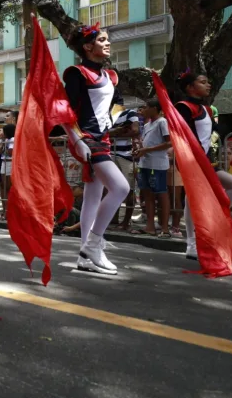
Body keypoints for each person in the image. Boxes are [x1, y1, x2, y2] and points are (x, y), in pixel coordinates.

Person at [63, 23, 128, 275]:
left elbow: (118, 102)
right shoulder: (76, 73)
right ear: (88, 46)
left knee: (93, 194)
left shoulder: (110, 75)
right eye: (102, 40)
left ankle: (85, 256)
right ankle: (93, 243)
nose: (107, 43)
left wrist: (113, 118)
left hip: (103, 139)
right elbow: (65, 112)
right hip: (85, 138)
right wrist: (77, 140)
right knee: (121, 187)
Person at [175, 73, 232, 260]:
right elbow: (185, 136)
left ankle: (211, 218)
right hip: (192, 161)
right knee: (192, 199)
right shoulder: (183, 107)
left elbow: (214, 135)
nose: (208, 85)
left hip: (209, 161)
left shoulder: (207, 109)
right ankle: (192, 243)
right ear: (190, 87)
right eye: (203, 82)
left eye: (208, 81)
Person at [133, 99, 171, 238]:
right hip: (145, 163)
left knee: (161, 193)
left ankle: (165, 228)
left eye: (146, 107)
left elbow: (169, 142)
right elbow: (145, 143)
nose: (143, 111)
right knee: (147, 194)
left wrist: (148, 149)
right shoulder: (148, 124)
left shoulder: (162, 122)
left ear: (154, 108)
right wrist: (139, 149)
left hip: (158, 164)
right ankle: (150, 226)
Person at [109, 107, 141, 231]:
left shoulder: (130, 112)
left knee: (129, 188)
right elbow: (104, 134)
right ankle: (113, 218)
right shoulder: (107, 114)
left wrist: (115, 134)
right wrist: (116, 132)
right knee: (111, 188)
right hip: (111, 154)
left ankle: (126, 221)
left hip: (126, 156)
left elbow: (135, 130)